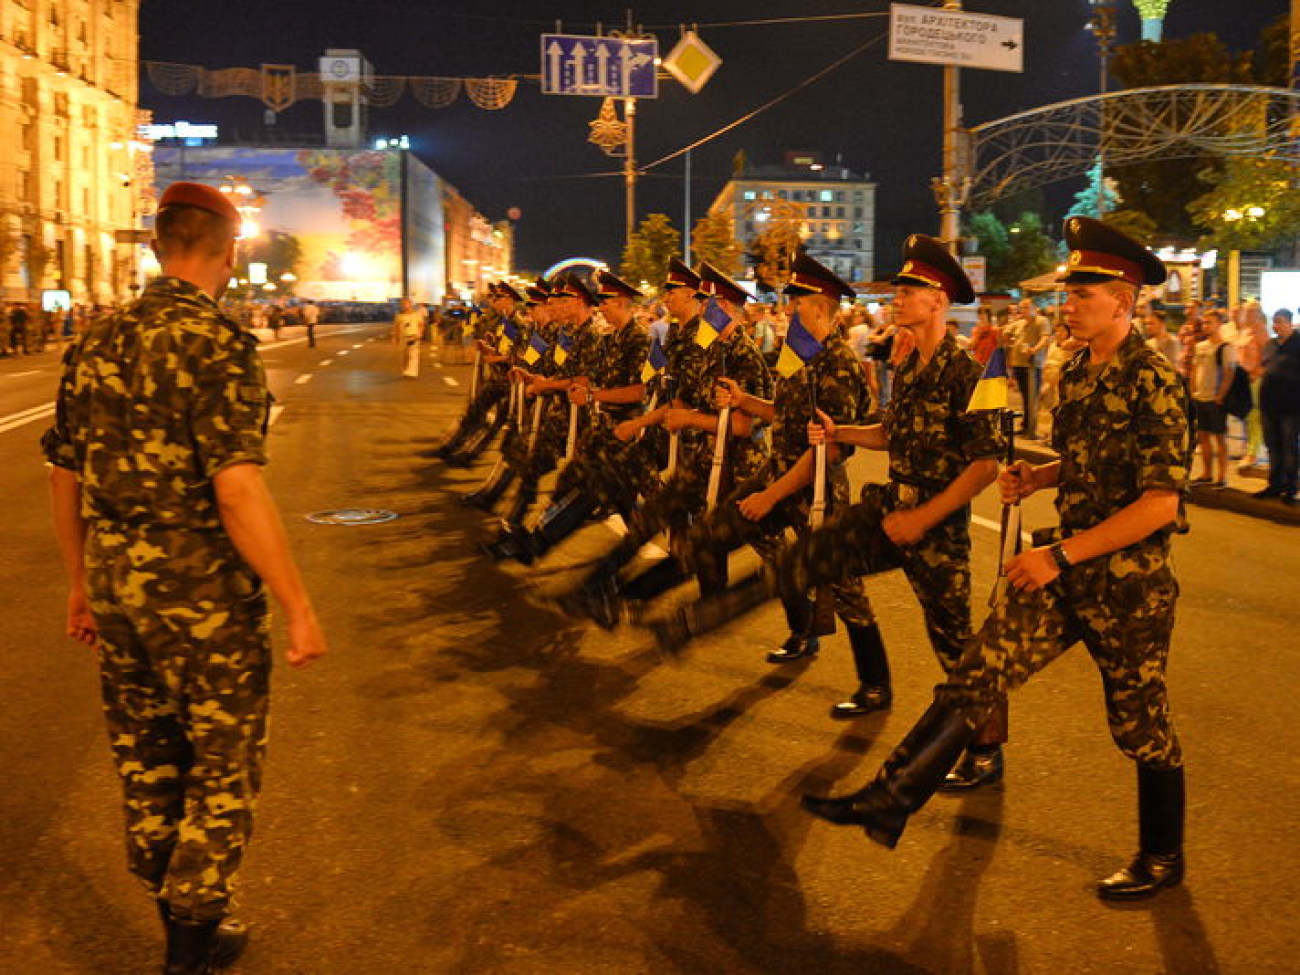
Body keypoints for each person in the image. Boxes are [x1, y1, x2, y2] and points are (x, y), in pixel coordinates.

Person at [802, 216, 1192, 902]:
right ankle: (891, 796)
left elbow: (1160, 502)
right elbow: (1093, 462)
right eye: (1068, 292)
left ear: (1123, 301)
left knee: (1141, 725)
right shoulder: (1075, 372)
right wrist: (1043, 478)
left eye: (1081, 294)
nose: (1065, 304)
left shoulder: (1156, 379)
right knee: (979, 671)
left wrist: (1060, 554)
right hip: (1065, 570)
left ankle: (1162, 854)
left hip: (1128, 586)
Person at [42, 181, 328, 973]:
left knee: (145, 752)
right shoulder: (216, 342)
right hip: (200, 594)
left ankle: (176, 908)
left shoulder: (97, 340)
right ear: (229, 251)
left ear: (159, 245)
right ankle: (191, 940)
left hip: (115, 583)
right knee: (222, 758)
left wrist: (79, 581)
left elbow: (63, 474)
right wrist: (296, 602)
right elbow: (236, 487)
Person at [1256, 308, 1300, 502]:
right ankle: (1275, 484)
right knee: (1272, 446)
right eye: (1274, 322)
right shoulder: (1270, 344)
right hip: (1268, 405)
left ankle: (1291, 487)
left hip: (1291, 407)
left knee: (1289, 447)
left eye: (1280, 322)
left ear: (1290, 323)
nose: (1276, 326)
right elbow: (1264, 367)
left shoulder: (1298, 344)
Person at [1190, 308, 1234, 486]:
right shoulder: (1200, 346)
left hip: (1215, 399)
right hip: (1200, 397)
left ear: (1219, 324)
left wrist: (1220, 395)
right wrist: (1193, 390)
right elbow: (1195, 369)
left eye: (1210, 322)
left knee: (1219, 438)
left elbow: (1229, 372)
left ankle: (1222, 476)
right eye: (1204, 322)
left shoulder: (1225, 347)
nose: (1206, 326)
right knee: (1203, 436)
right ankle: (1207, 473)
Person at [1005, 298, 1048, 437]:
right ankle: (1025, 426)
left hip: (1032, 365)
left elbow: (1045, 338)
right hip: (1018, 364)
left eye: (1026, 307)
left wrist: (1034, 349)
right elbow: (1005, 332)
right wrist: (1009, 341)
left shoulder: (1041, 321)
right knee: (1024, 397)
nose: (1023, 310)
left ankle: (1031, 430)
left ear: (1034, 308)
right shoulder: (1019, 323)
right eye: (1021, 308)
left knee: (1032, 398)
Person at [395, 296, 423, 378]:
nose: (404, 305)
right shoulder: (399, 315)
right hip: (403, 336)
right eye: (403, 304)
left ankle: (412, 372)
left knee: (413, 354)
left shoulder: (417, 314)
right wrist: (395, 337)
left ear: (410, 304)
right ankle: (405, 370)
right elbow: (396, 327)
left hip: (414, 336)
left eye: (406, 303)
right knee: (404, 355)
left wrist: (419, 334)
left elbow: (421, 324)